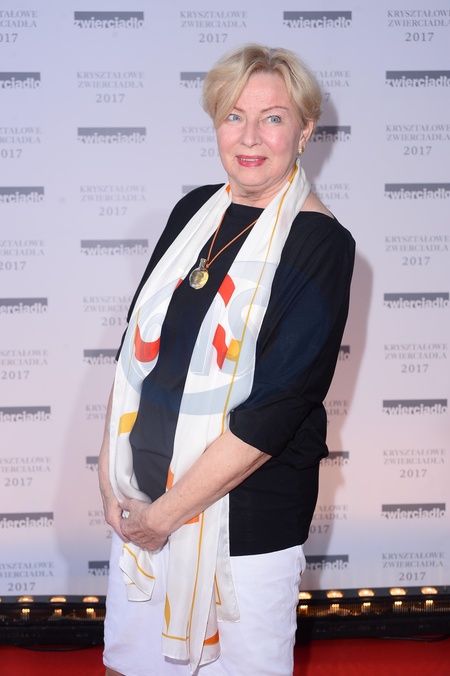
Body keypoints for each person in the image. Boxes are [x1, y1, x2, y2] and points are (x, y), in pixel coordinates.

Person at [99, 43, 355, 676]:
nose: (250, 136)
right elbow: (135, 352)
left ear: (305, 132)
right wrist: (110, 479)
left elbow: (274, 412)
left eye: (273, 118)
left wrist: (164, 516)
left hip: (245, 533)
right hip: (143, 507)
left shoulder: (321, 243)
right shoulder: (194, 211)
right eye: (234, 115)